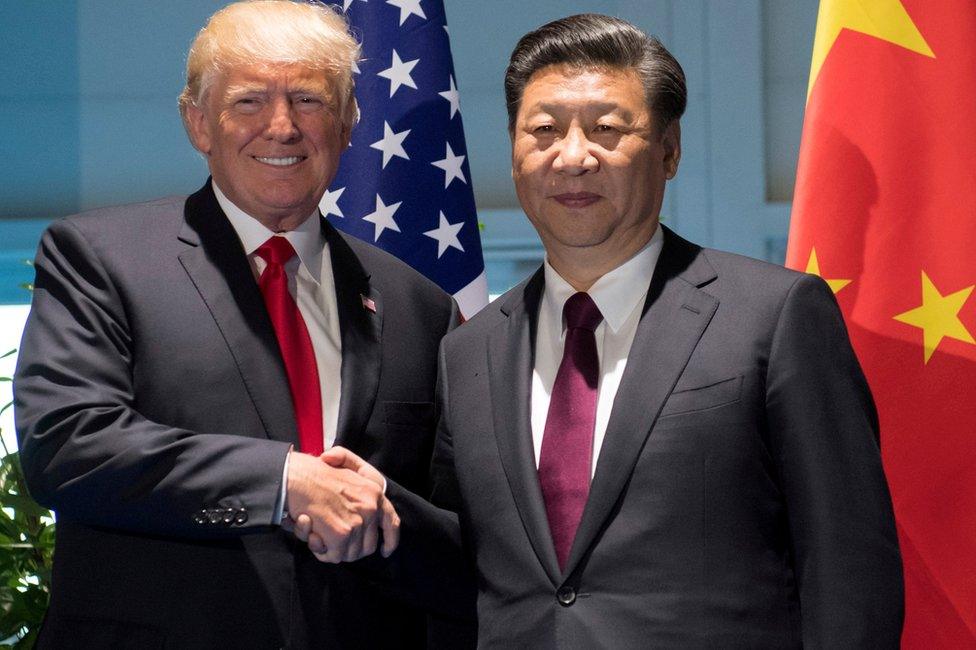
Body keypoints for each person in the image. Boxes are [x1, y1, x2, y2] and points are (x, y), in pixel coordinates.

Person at [318, 12, 904, 648]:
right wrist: (386, 512)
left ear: (669, 150)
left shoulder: (775, 314)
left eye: (606, 129)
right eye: (543, 130)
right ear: (514, 151)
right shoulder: (468, 349)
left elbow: (848, 568)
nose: (573, 157)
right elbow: (473, 567)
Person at [13, 2, 459, 648]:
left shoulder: (419, 305)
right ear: (198, 122)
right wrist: (284, 483)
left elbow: (457, 536)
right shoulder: (101, 258)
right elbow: (66, 444)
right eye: (249, 101)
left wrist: (378, 510)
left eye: (309, 99)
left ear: (349, 123)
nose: (281, 128)